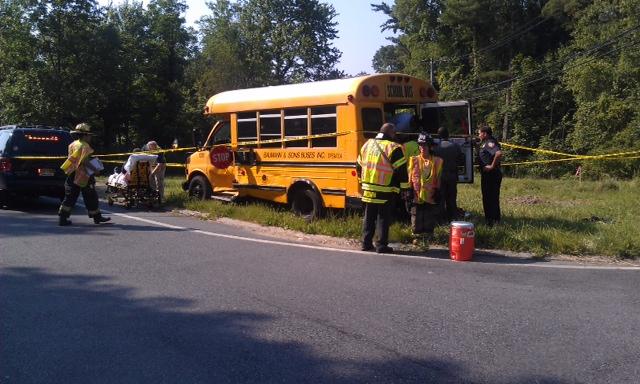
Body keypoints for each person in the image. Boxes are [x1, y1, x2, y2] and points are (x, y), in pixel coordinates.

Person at [356, 123, 408, 253]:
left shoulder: (367, 144)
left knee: (369, 216)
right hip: (385, 189)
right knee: (383, 217)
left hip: (368, 188)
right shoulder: (393, 148)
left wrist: (362, 182)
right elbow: (402, 171)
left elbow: (358, 166)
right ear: (391, 133)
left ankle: (366, 243)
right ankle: (381, 245)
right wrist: (405, 189)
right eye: (394, 133)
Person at [58, 123, 111, 226]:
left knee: (70, 197)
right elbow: (85, 161)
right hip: (84, 175)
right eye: (89, 135)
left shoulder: (72, 144)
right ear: (85, 135)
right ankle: (97, 217)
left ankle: (63, 218)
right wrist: (95, 169)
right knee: (91, 196)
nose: (90, 137)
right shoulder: (85, 146)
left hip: (72, 173)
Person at [407, 133, 443, 244]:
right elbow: (410, 176)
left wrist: (438, 191)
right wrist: (408, 190)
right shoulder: (413, 160)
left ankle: (428, 239)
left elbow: (438, 177)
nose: (422, 147)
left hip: (430, 195)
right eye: (420, 145)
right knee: (416, 216)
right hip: (416, 195)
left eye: (425, 145)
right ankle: (416, 239)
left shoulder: (437, 161)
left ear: (430, 146)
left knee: (429, 217)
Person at [433, 127, 464, 223]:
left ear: (438, 136)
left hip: (440, 176)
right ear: (448, 134)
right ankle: (453, 218)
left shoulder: (436, 147)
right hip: (452, 175)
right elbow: (462, 160)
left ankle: (441, 220)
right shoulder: (455, 146)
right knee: (451, 197)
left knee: (440, 198)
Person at [477, 125, 503, 226]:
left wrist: (491, 166)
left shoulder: (490, 142)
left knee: (491, 198)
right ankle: (490, 220)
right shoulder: (485, 143)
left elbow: (499, 153)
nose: (479, 135)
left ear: (485, 133)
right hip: (488, 175)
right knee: (488, 197)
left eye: (480, 133)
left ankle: (493, 221)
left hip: (491, 175)